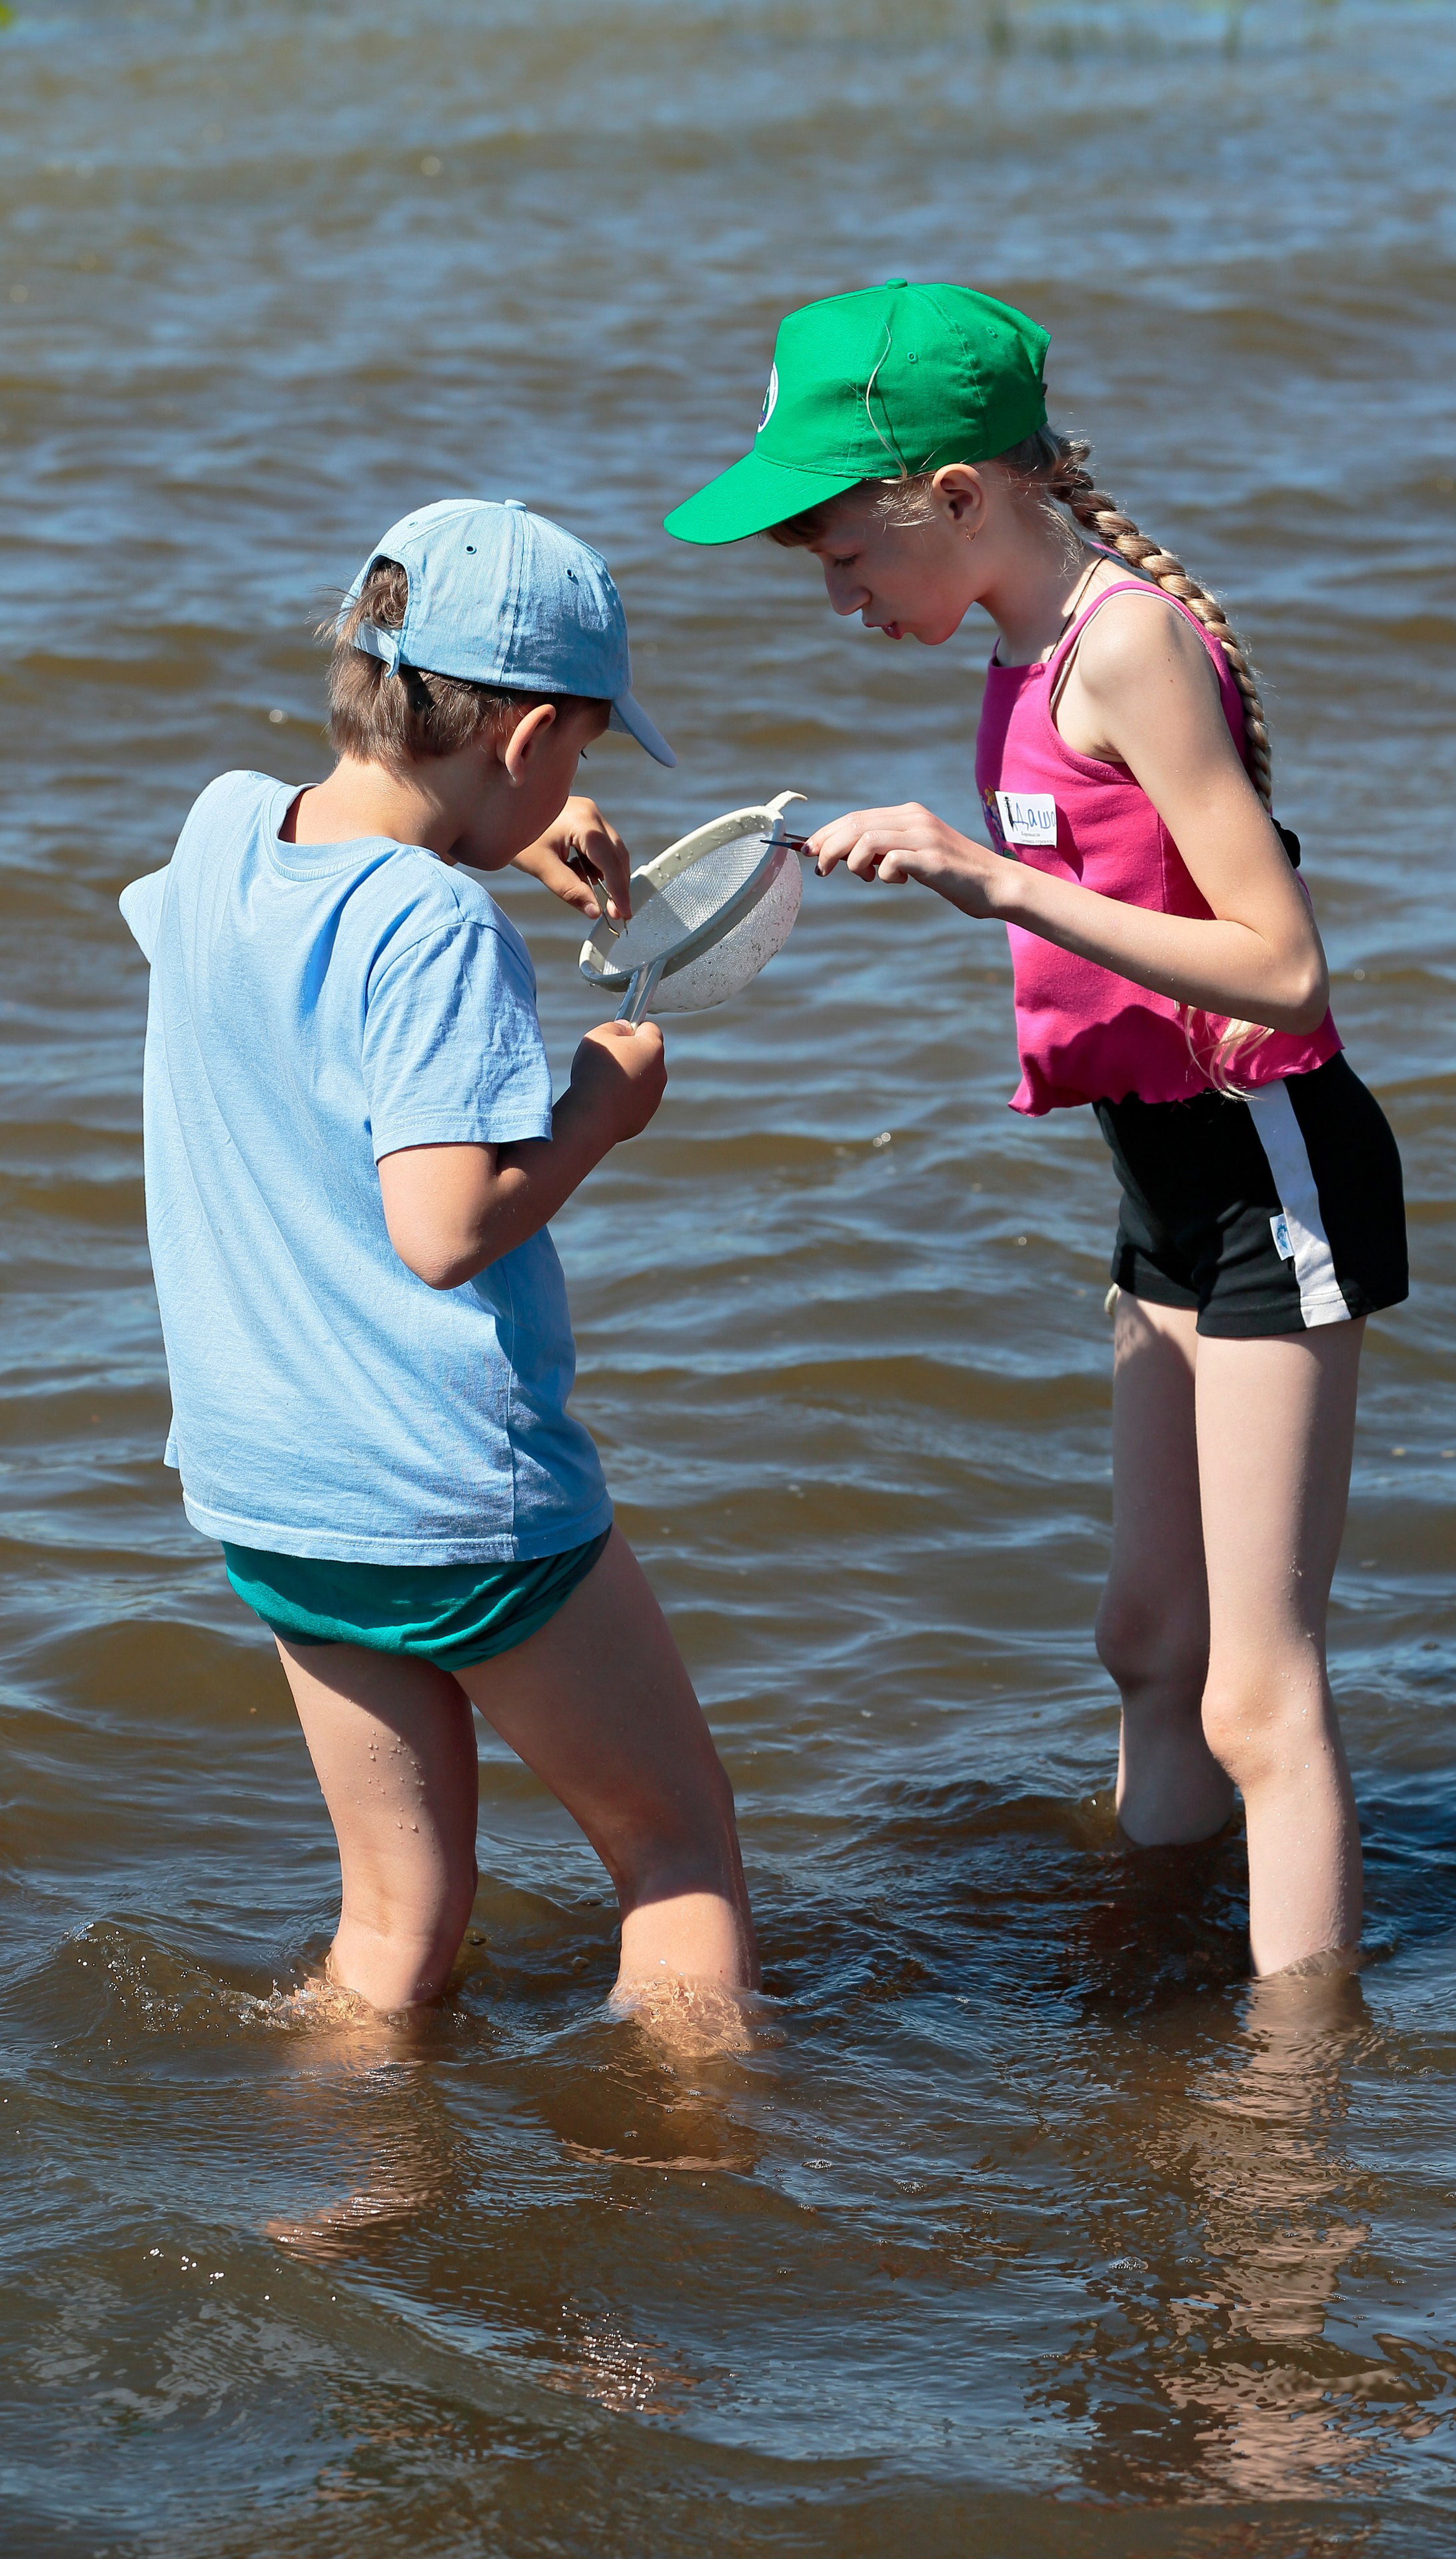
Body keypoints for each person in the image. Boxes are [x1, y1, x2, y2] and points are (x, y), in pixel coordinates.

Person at [666, 285, 1407, 1978]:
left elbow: (1281, 969)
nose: (839, 597)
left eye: (845, 557)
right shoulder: (1012, 645)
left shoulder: (1123, 643)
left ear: (954, 495)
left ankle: (1291, 2120)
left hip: (1267, 1164)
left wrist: (993, 877)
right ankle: (1149, 1962)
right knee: (1144, 1638)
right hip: (1161, 1175)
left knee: (1256, 1688)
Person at [120, 497, 757, 2022]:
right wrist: (594, 1114)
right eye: (580, 753)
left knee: (398, 1920)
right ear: (531, 733)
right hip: (451, 1493)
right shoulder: (438, 931)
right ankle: (704, 2209)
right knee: (676, 1862)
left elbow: (294, 945)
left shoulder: (217, 830)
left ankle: (326, 2221)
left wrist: (492, 830)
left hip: (273, 1486)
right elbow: (442, 1231)